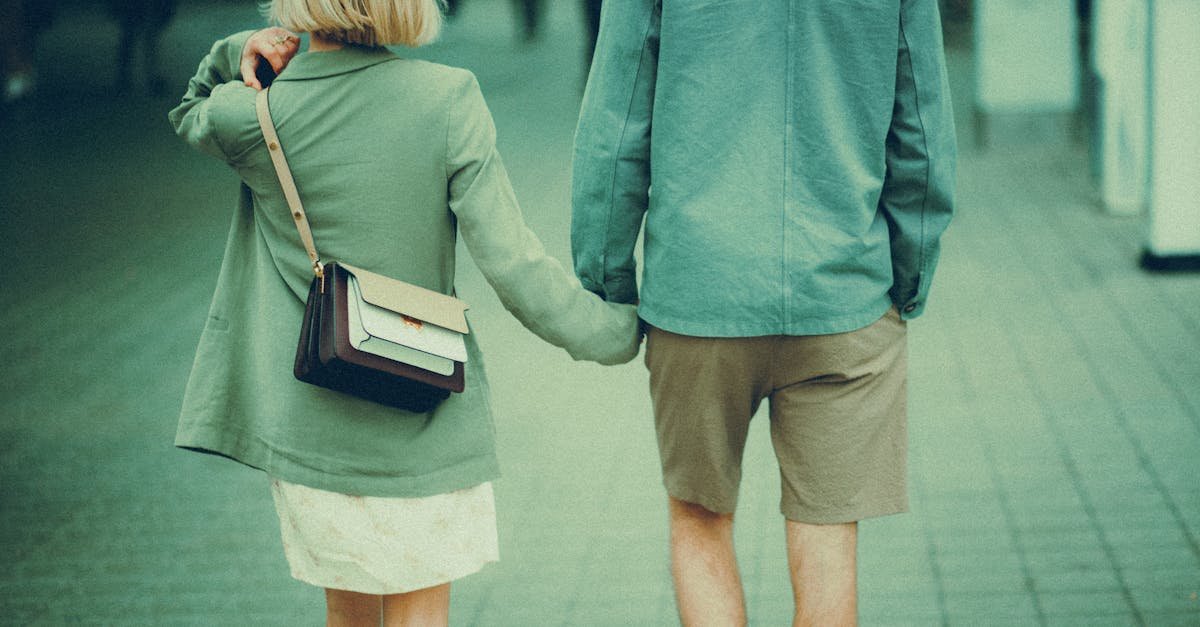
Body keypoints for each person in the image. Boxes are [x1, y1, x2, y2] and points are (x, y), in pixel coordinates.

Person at [169, 0, 640, 624]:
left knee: (349, 614)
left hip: (315, 422)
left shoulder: (254, 115)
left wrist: (243, 49)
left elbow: (190, 108)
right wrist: (616, 332)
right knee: (422, 614)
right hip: (427, 410)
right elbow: (513, 265)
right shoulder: (447, 98)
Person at [571, 1, 956, 625]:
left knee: (699, 519)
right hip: (844, 295)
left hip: (698, 295)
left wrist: (609, 276)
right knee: (829, 536)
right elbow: (922, 126)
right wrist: (908, 275)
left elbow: (617, 123)